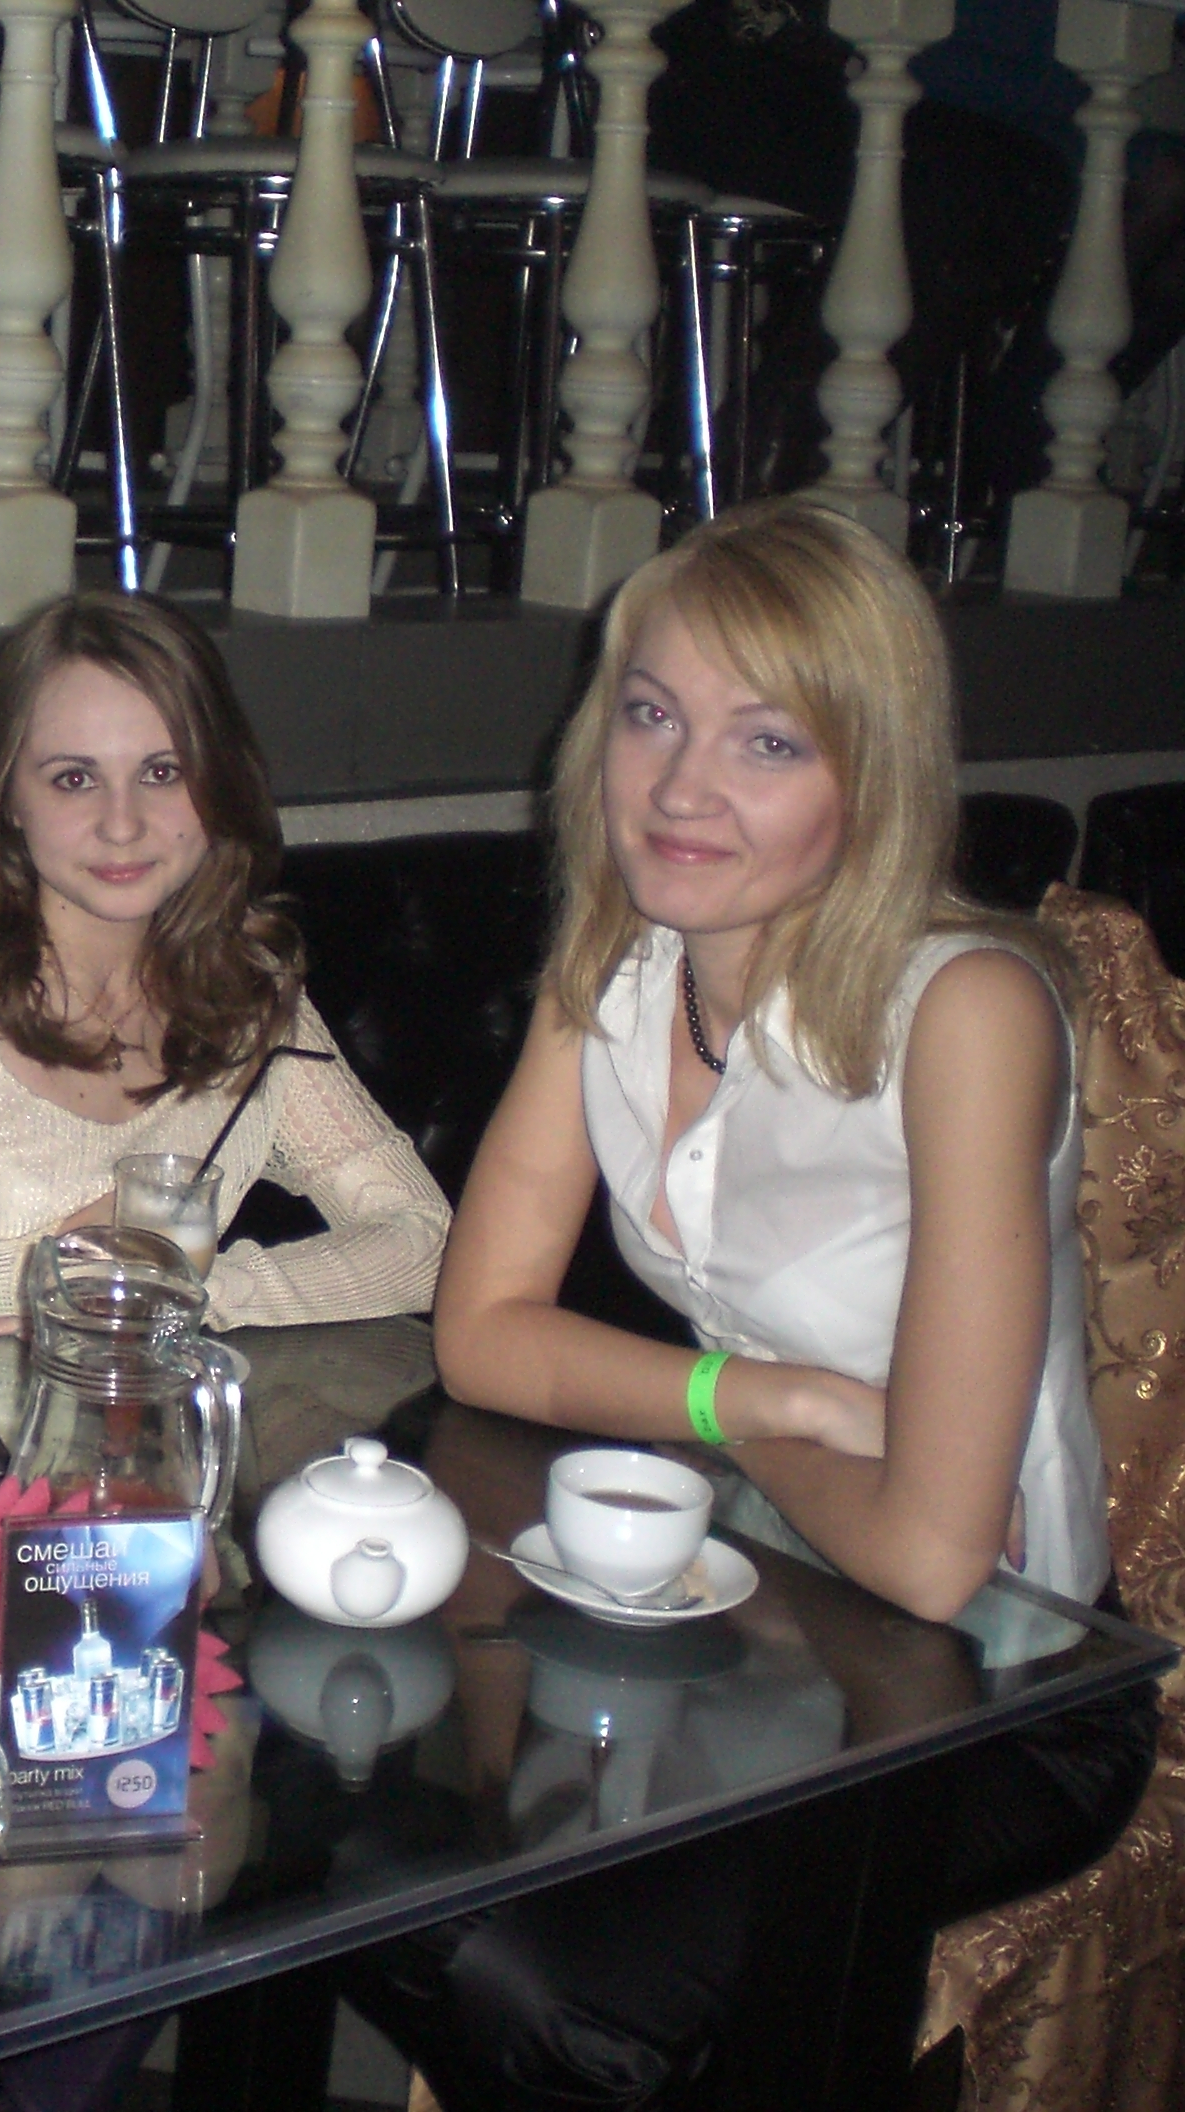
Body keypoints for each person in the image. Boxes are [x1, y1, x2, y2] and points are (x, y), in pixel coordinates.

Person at [340, 499, 1154, 2109]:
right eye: (653, 715)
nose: (680, 786)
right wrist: (764, 1400)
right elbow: (482, 1333)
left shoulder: (967, 1014)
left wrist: (738, 1433)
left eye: (766, 741)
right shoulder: (618, 964)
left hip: (996, 1689)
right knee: (361, 1856)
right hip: (747, 1601)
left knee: (534, 1985)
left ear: (874, 777)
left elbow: (935, 1557)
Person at [0, 588, 448, 1336]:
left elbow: (426, 1242)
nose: (122, 823)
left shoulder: (252, 1005)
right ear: (7, 797)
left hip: (148, 1410)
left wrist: (189, 1290)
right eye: (74, 778)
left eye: (163, 772)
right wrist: (27, 1275)